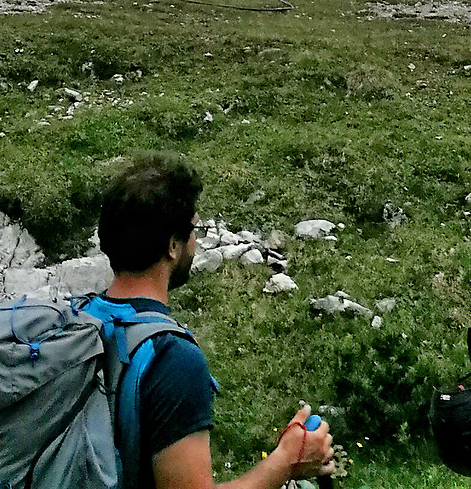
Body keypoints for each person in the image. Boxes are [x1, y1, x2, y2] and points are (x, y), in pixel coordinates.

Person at [94, 154, 335, 489]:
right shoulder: (172, 359)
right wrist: (285, 461)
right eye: (194, 230)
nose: (196, 242)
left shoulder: (77, 321)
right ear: (172, 246)